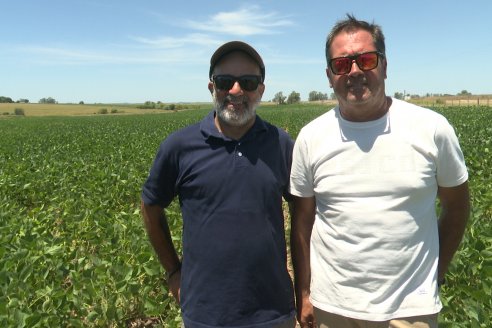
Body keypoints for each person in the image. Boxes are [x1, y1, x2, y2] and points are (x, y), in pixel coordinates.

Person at [290, 14, 470, 328]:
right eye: (342, 64)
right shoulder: (310, 137)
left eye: (367, 60)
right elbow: (303, 221)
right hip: (333, 308)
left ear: (384, 65)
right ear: (329, 74)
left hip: (409, 310)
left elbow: (457, 207)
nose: (355, 71)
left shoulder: (432, 129)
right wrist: (303, 293)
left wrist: (436, 273)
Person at [141, 41, 296, 328]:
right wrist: (174, 271)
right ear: (212, 87)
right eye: (226, 81)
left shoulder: (280, 144)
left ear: (261, 90)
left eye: (248, 82)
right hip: (205, 312)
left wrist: (307, 289)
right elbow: (150, 206)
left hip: (272, 311)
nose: (236, 91)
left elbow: (303, 215)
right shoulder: (179, 146)